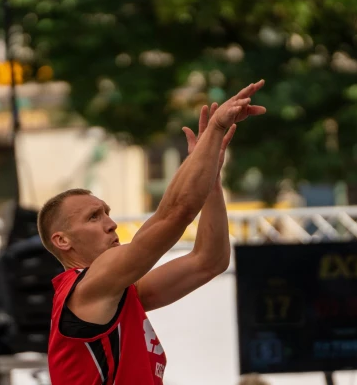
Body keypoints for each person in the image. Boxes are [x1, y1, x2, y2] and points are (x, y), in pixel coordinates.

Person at [38, 80, 267, 384]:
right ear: (62, 240)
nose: (111, 223)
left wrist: (210, 179)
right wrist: (214, 130)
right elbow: (174, 215)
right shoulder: (87, 287)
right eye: (94, 217)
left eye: (107, 212)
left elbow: (209, 261)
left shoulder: (119, 293)